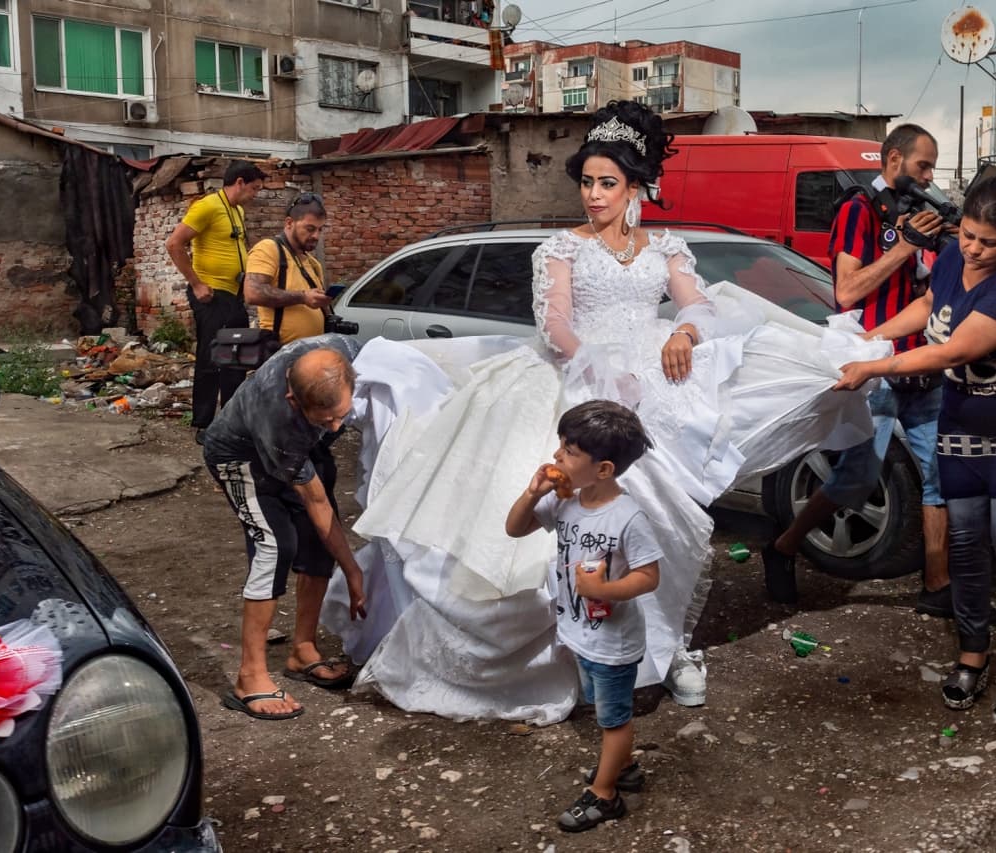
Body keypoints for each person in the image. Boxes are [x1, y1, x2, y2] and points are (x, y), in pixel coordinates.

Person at [324, 100, 886, 725]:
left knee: (660, 513)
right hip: (573, 379)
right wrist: (597, 369)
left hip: (659, 381)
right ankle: (582, 651)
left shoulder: (666, 247)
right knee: (569, 521)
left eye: (607, 183)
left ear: (635, 186)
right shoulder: (561, 248)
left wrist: (686, 336)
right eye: (587, 182)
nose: (593, 195)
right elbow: (555, 322)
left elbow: (697, 305)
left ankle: (659, 647)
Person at [835, 175, 996, 732]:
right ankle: (971, 654)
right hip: (964, 418)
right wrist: (871, 339)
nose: (973, 248)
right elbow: (930, 307)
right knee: (963, 540)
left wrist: (876, 366)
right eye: (967, 235)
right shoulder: (949, 258)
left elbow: (955, 349)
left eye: (988, 242)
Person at [761, 124, 952, 614]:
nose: (929, 177)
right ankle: (784, 547)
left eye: (932, 168)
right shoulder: (858, 210)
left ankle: (937, 586)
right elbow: (847, 291)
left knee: (939, 479)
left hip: (920, 363)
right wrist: (904, 248)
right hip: (875, 369)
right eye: (922, 166)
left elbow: (929, 291)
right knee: (856, 478)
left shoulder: (921, 214)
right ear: (892, 162)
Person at [505, 401, 659, 831]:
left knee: (614, 720)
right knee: (599, 706)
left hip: (613, 641)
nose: (557, 457)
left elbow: (649, 576)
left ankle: (606, 795)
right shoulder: (565, 502)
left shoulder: (628, 518)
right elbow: (515, 528)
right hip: (580, 632)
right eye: (560, 446)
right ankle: (622, 769)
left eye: (569, 452)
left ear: (604, 469)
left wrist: (605, 589)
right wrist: (533, 492)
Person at [203, 336, 368, 720]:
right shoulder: (280, 416)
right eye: (326, 420)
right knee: (275, 546)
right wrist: (353, 569)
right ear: (295, 399)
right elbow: (317, 502)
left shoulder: (348, 349)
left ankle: (302, 650)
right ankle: (249, 676)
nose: (338, 425)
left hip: (301, 450)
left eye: (341, 414)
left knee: (317, 544)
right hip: (241, 458)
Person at [165, 160, 267, 436]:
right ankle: (204, 423)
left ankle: (232, 421)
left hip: (234, 294)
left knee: (237, 357)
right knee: (211, 358)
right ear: (240, 183)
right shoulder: (207, 206)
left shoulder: (237, 211)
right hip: (210, 293)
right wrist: (196, 284)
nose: (255, 194)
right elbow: (174, 244)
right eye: (254, 188)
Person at [243, 192, 333, 345]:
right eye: (310, 229)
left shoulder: (312, 263)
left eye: (320, 229)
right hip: (280, 355)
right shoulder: (268, 249)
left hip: (311, 354)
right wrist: (303, 297)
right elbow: (252, 293)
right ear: (289, 223)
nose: (316, 236)